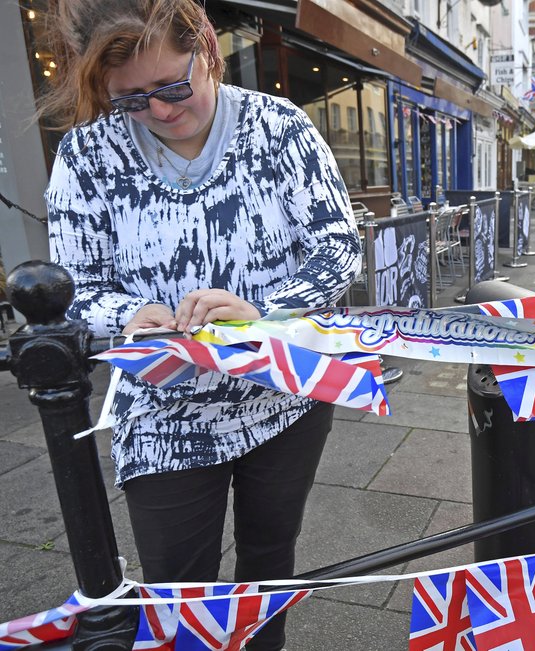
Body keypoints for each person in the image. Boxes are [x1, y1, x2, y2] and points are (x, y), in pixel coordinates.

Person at [40, 1, 361, 649]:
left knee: (269, 561)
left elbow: (338, 247)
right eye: (131, 99)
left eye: (173, 86)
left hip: (285, 399)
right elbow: (75, 288)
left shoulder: (279, 128)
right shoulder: (86, 156)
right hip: (163, 415)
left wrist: (266, 313)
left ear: (207, 46)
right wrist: (127, 316)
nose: (158, 111)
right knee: (179, 589)